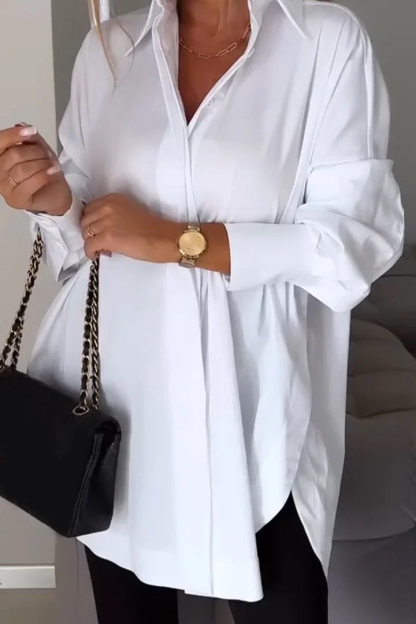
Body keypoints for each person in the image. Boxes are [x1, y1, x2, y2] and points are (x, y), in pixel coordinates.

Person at [0, 0, 404, 621]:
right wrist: (52, 201)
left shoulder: (325, 41)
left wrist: (176, 240)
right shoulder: (108, 51)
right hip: (120, 418)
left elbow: (355, 240)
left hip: (262, 417)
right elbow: (79, 253)